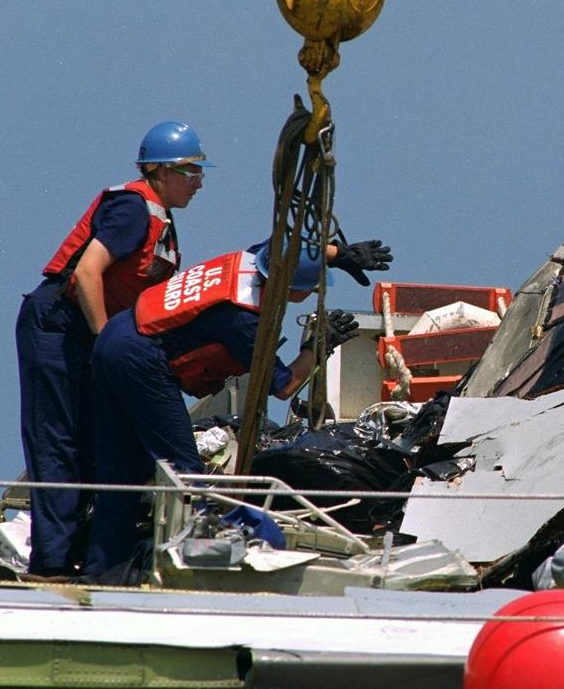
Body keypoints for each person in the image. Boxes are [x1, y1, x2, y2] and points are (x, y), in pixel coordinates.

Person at [82, 242, 360, 578]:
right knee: (183, 470)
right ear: (292, 289)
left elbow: (285, 239)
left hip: (114, 335)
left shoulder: (246, 260)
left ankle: (101, 571)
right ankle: (194, 562)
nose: (317, 289)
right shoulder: (243, 319)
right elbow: (284, 386)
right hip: (140, 359)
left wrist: (338, 254)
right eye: (312, 285)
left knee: (121, 466)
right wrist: (318, 346)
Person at [15, 121, 213, 577]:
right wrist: (108, 344)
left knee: (87, 443)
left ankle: (73, 555)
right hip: (59, 327)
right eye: (191, 171)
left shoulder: (159, 219)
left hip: (83, 331)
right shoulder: (133, 211)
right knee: (58, 444)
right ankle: (51, 565)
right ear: (161, 172)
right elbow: (87, 273)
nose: (199, 182)